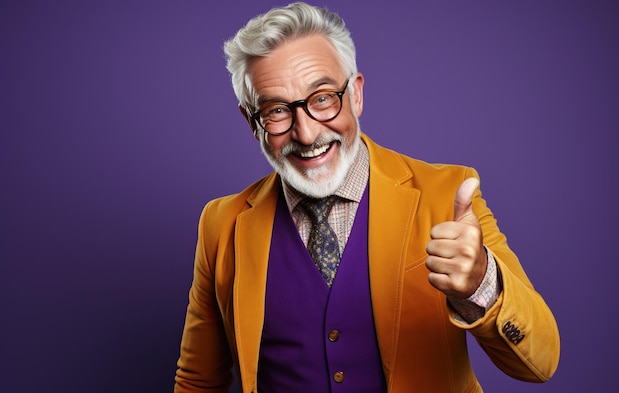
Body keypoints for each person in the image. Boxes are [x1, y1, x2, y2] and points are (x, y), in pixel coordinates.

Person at [173, 2, 560, 392]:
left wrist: (481, 283)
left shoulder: (445, 195)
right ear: (251, 122)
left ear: (355, 94)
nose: (306, 134)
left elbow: (539, 364)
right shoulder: (221, 224)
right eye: (276, 111)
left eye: (323, 98)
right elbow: (198, 380)